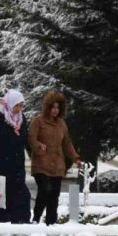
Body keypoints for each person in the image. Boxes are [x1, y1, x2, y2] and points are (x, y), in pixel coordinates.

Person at [28, 91, 80, 225]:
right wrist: (39, 146)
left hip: (57, 165)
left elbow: (67, 143)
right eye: (53, 107)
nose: (55, 110)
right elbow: (31, 139)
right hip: (41, 165)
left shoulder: (62, 124)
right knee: (45, 190)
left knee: (54, 196)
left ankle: (51, 223)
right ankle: (36, 218)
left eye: (58, 107)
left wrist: (76, 158)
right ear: (47, 107)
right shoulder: (37, 121)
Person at [0, 89, 31, 223]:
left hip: (17, 166)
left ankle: (19, 224)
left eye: (21, 105)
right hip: (0, 166)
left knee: (20, 197)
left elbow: (25, 139)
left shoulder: (22, 119)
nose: (18, 109)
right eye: (16, 105)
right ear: (9, 104)